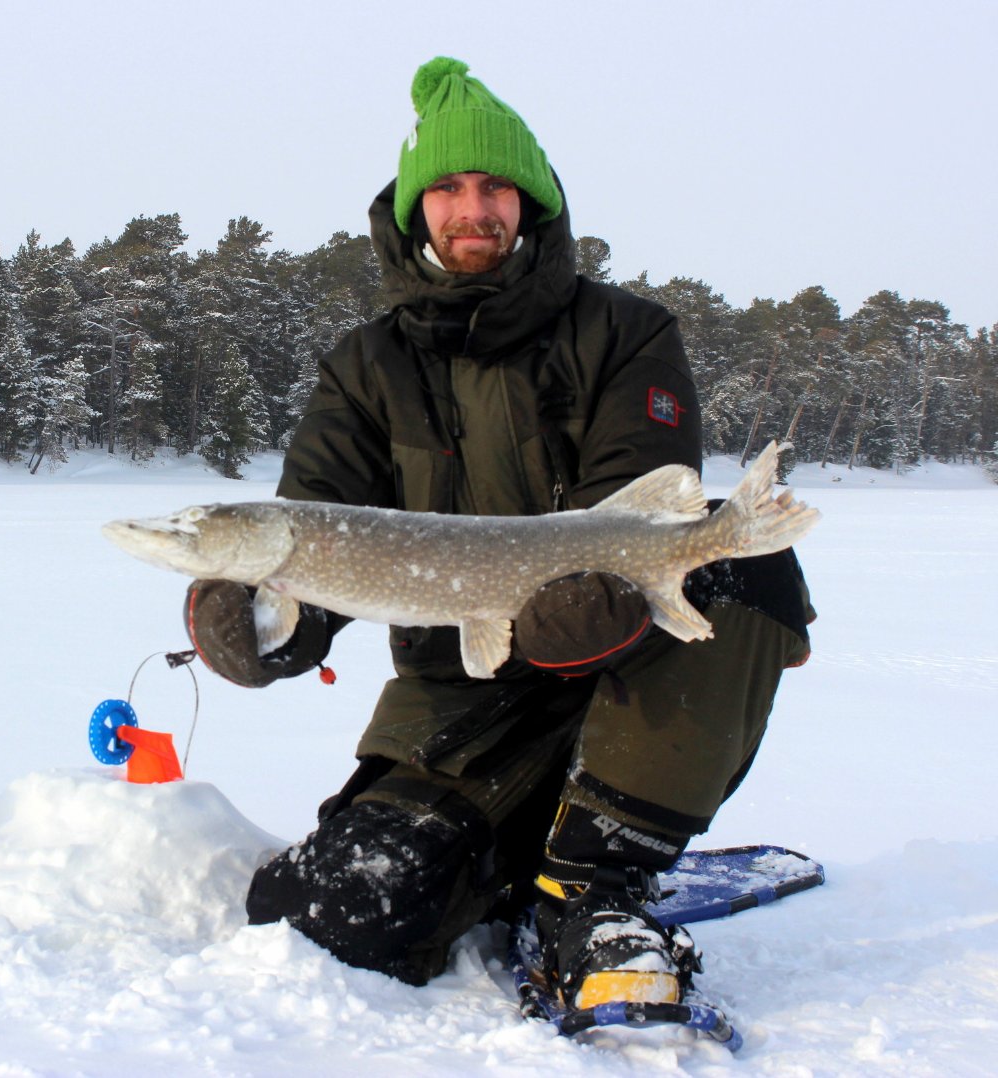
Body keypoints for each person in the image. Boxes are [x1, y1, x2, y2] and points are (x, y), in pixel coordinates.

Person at [184, 56, 815, 1008]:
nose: (470, 208)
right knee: (336, 912)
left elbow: (642, 506)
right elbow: (314, 545)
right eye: (444, 187)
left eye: (493, 186)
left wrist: (599, 608)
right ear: (411, 208)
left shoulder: (625, 333)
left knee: (741, 567)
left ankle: (596, 887)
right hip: (460, 691)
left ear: (530, 202)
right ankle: (520, 837)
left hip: (623, 665)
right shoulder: (363, 368)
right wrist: (254, 626)